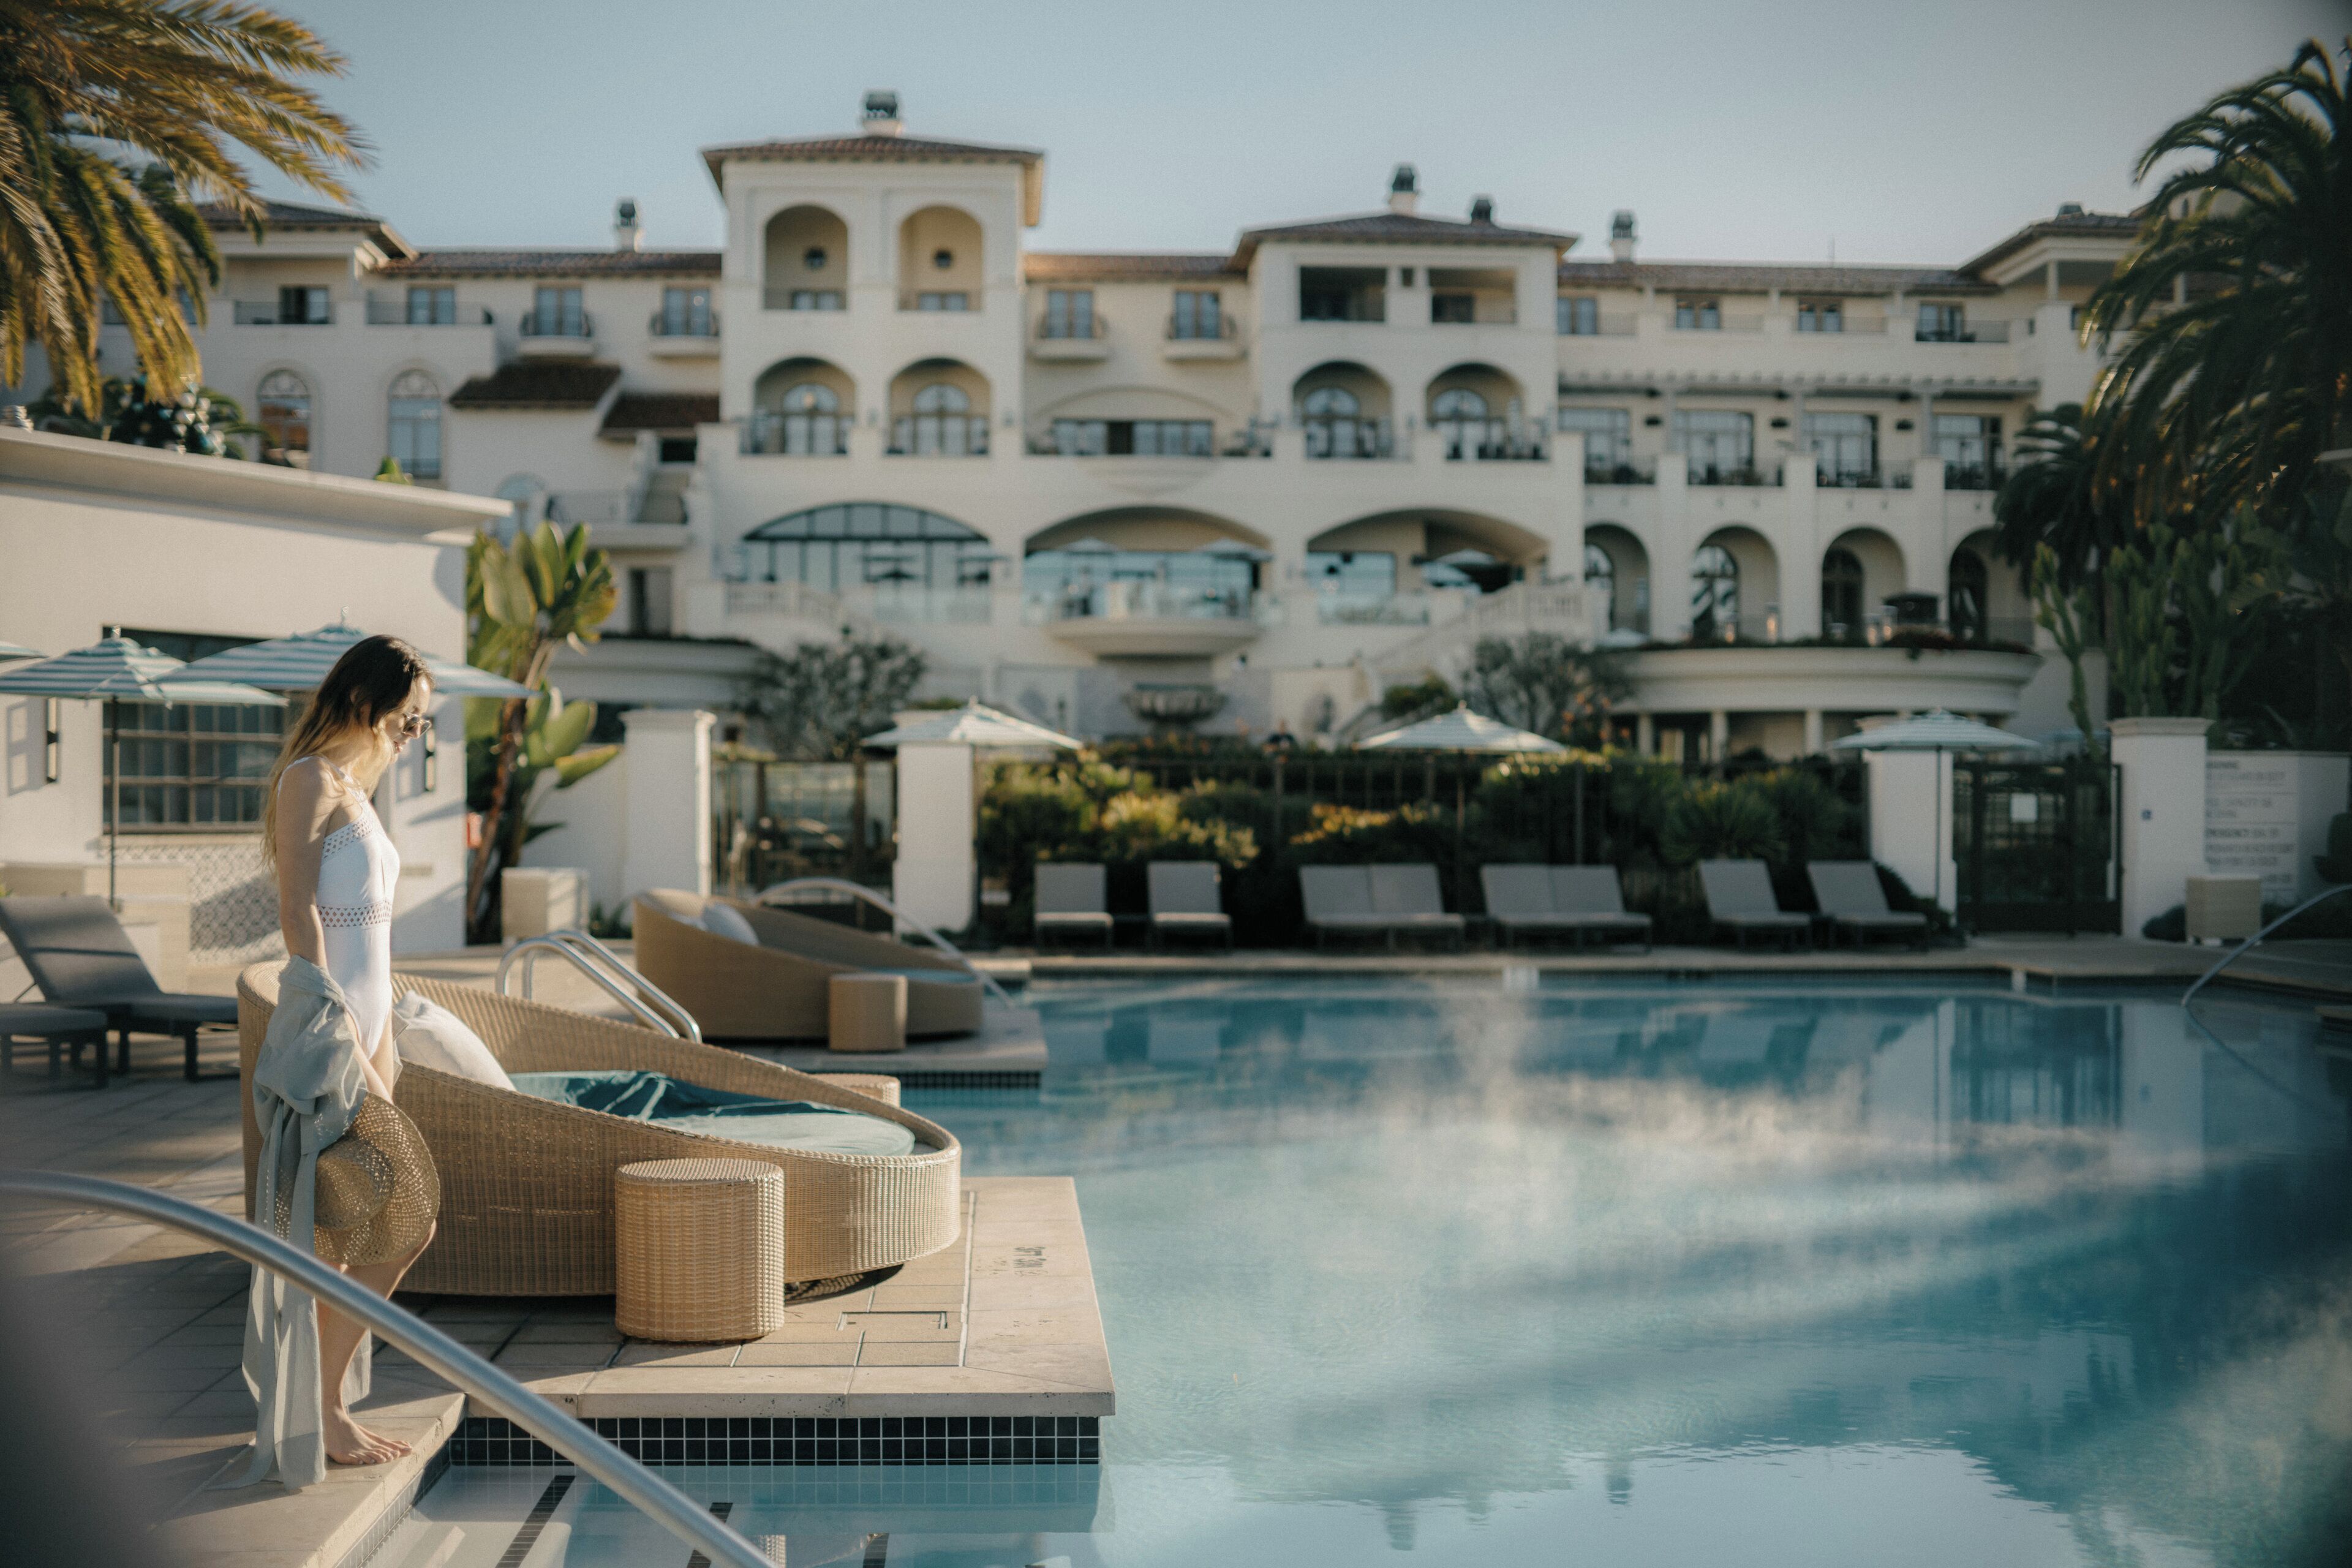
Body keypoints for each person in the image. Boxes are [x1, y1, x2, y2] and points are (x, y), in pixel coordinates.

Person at [241, 635, 440, 1481]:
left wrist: (384, 1045)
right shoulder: (308, 781)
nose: (416, 731)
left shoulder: (358, 788)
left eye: (424, 720)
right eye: (410, 714)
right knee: (356, 1233)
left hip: (370, 1035)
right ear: (365, 698)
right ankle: (319, 1413)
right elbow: (299, 918)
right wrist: (345, 1045)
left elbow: (378, 943)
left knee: (389, 1227)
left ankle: (321, 1406)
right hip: (327, 1040)